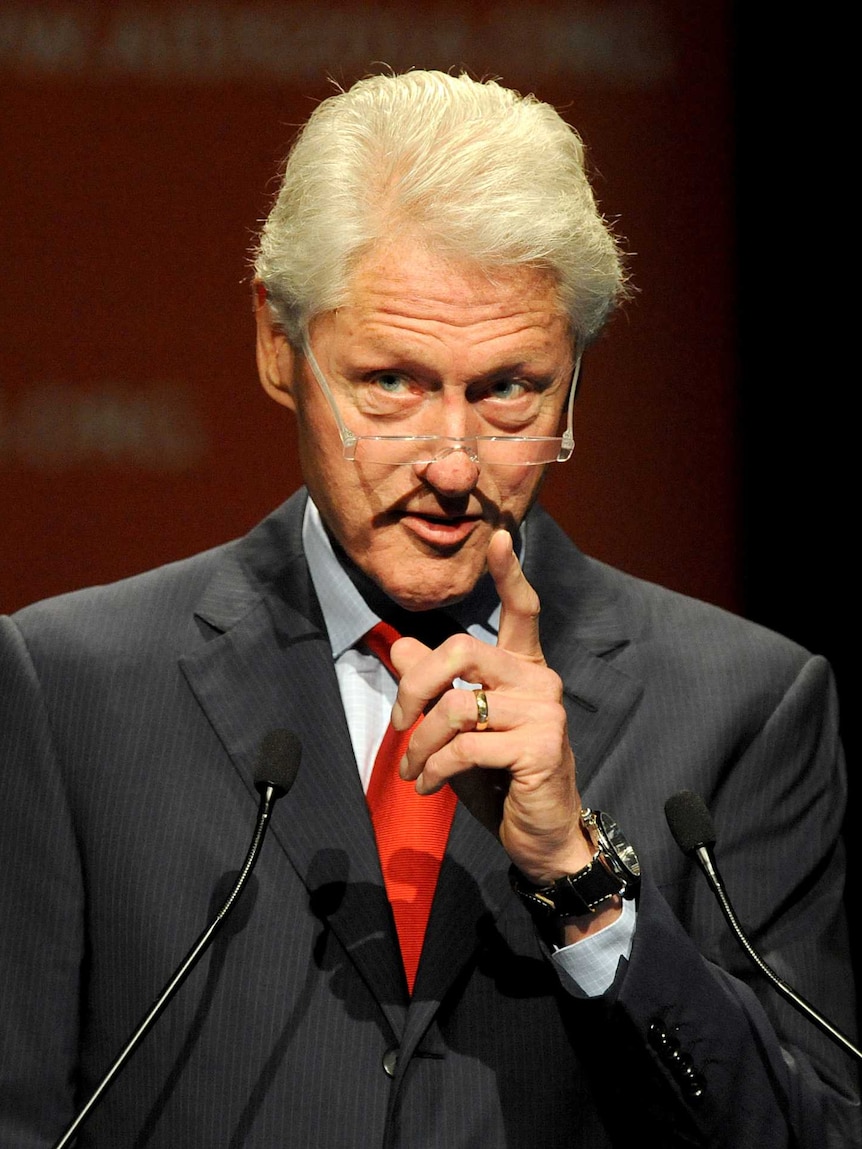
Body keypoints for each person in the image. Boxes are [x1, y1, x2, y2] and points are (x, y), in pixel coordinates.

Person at [0, 70, 858, 1148]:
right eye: (392, 384)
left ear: (574, 373)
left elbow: (813, 1131)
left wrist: (578, 887)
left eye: (509, 389)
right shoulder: (70, 690)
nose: (454, 466)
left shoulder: (744, 707)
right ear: (278, 346)